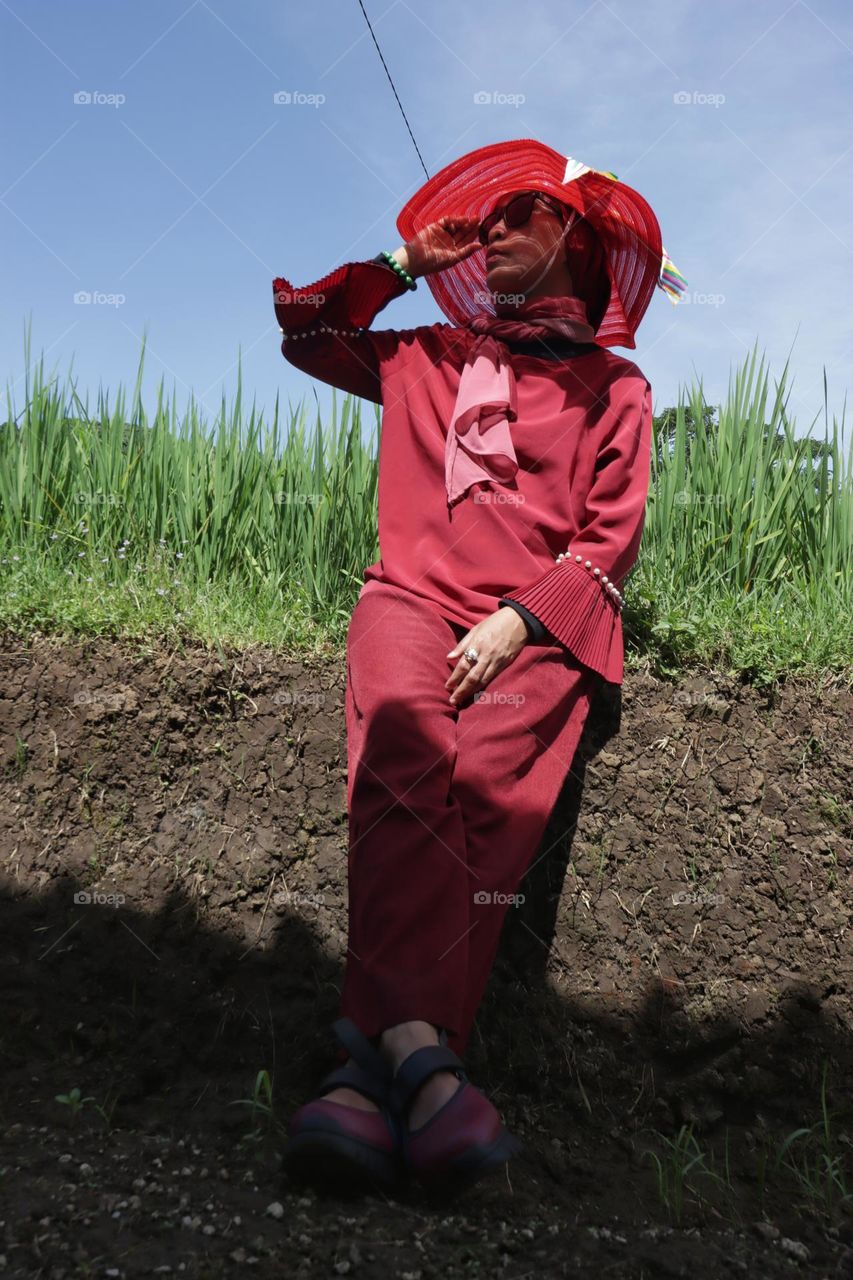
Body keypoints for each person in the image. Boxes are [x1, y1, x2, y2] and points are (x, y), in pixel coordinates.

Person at [272, 139, 686, 1198]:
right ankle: (428, 1061)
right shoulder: (426, 354)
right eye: (482, 220)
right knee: (406, 752)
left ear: (571, 237)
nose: (490, 230)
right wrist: (403, 262)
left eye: (515, 216)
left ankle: (366, 1080)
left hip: (535, 633)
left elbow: (607, 541)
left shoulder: (615, 390)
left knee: (487, 803)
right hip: (409, 604)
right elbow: (309, 333)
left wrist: (521, 619)